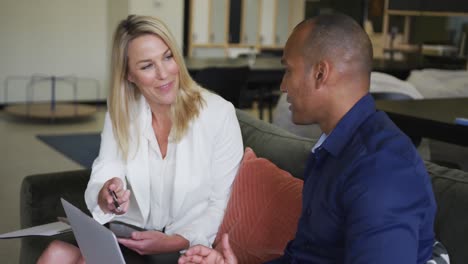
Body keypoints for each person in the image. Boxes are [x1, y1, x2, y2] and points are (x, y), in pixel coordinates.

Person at [178, 13, 437, 264]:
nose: (282, 86)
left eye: (288, 71)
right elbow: (301, 257)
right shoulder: (332, 149)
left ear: (320, 73)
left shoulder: (382, 170)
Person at [37, 15, 243, 263]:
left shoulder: (219, 114)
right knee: (55, 253)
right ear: (129, 75)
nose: (164, 73)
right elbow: (107, 169)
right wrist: (106, 193)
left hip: (187, 246)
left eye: (168, 57)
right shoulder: (122, 113)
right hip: (132, 237)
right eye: (147, 66)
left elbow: (222, 203)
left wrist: (175, 241)